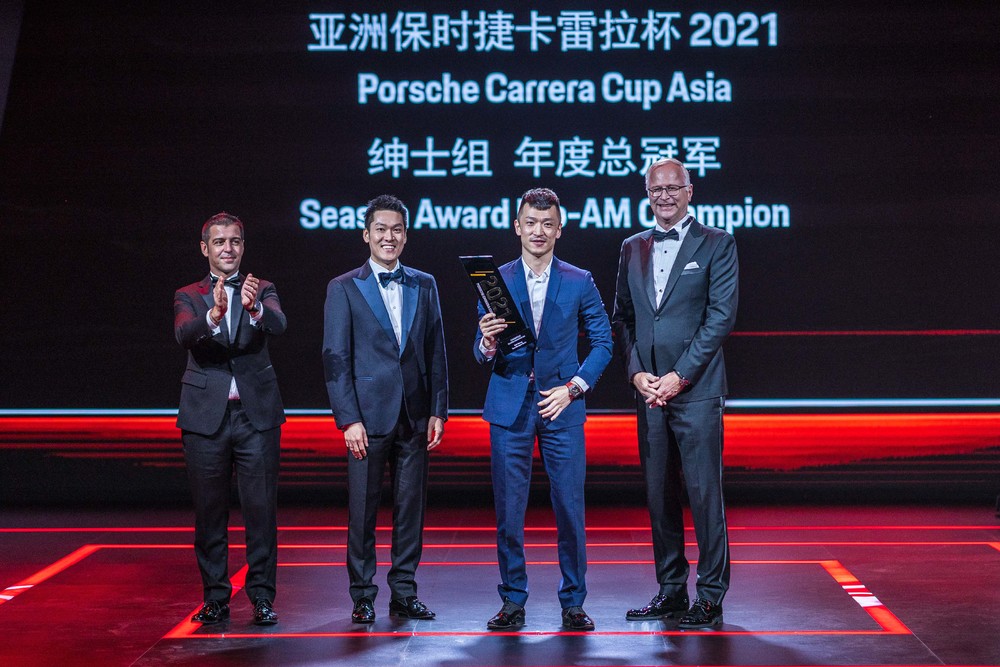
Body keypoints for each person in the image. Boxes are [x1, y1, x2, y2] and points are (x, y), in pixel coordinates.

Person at [474, 188, 612, 631]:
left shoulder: (579, 280)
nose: (539, 231)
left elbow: (603, 342)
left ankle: (573, 601)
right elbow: (481, 350)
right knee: (509, 511)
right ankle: (512, 600)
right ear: (518, 227)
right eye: (531, 223)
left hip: (561, 406)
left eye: (547, 223)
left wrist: (573, 388)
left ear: (559, 229)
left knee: (570, 508)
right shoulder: (494, 279)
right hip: (510, 407)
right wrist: (486, 341)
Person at [612, 157, 739, 628]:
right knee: (659, 495)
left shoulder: (717, 243)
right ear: (647, 194)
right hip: (649, 393)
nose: (664, 196)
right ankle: (670, 590)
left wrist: (679, 375)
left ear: (690, 191)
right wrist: (636, 373)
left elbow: (720, 318)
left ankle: (710, 595)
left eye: (672, 188)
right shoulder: (632, 247)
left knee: (704, 495)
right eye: (655, 189)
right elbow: (623, 317)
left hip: (696, 391)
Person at [322, 194, 448, 624]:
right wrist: (348, 419)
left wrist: (438, 409)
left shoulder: (424, 283)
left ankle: (404, 593)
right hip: (366, 419)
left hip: (414, 415)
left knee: (410, 510)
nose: (388, 237)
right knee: (362, 511)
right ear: (366, 235)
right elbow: (335, 358)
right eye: (381, 229)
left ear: (406, 236)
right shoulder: (343, 287)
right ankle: (362, 594)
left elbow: (436, 351)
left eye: (396, 230)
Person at [174, 212, 286, 626]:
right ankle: (216, 597)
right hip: (206, 418)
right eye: (220, 242)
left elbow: (279, 323)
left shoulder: (262, 288)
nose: (228, 248)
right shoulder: (188, 294)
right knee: (210, 514)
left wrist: (254, 309)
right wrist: (214, 315)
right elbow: (184, 334)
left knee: (261, 512)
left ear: (243, 246)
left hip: (256, 417)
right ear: (205, 248)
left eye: (235, 241)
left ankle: (262, 598)